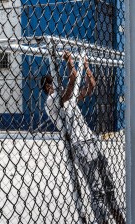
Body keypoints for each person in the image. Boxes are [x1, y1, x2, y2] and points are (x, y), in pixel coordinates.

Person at [41, 51, 125, 224]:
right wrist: (70, 62)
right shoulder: (51, 101)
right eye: (54, 83)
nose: (57, 86)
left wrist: (86, 67)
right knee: (97, 191)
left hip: (91, 140)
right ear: (49, 87)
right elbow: (72, 79)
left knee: (108, 187)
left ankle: (120, 219)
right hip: (79, 145)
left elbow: (91, 86)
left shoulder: (67, 98)